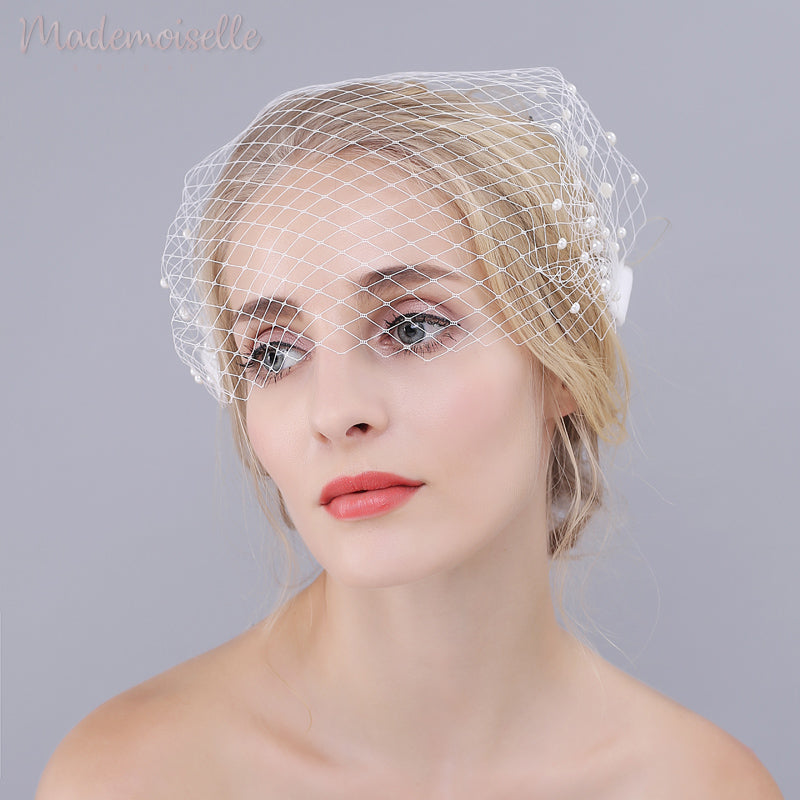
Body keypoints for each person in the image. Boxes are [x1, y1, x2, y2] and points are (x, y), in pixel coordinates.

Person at [36, 68, 783, 799]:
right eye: (273, 352)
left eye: (414, 326)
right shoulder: (133, 778)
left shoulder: (703, 786)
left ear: (560, 359)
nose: (336, 412)